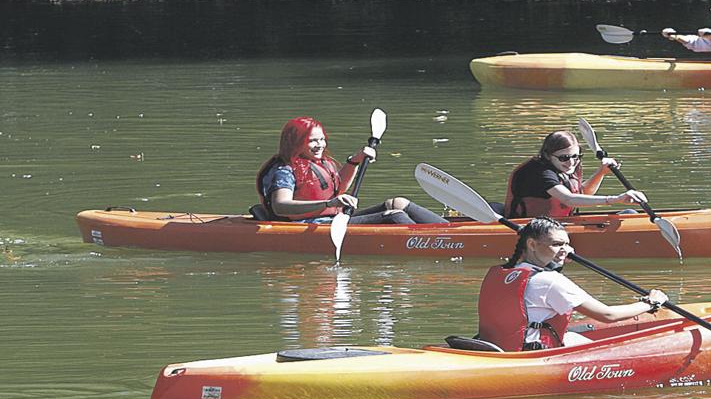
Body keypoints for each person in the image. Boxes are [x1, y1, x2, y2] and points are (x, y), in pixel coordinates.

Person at [476, 217, 669, 351]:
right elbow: (608, 315)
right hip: (534, 354)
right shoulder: (549, 281)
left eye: (567, 244)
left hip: (499, 347)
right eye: (557, 244)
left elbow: (537, 293)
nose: (567, 250)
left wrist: (556, 262)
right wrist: (650, 303)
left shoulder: (501, 273)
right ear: (532, 244)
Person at [255, 116, 446, 224]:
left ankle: (447, 231)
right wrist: (328, 203)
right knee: (393, 216)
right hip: (308, 226)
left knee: (398, 204)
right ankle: (437, 242)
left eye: (321, 139)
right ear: (295, 142)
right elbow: (281, 206)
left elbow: (338, 190)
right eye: (312, 140)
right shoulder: (284, 170)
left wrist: (355, 161)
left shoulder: (321, 162)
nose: (319, 145)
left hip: (333, 218)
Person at [500, 131, 647, 219]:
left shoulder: (569, 165)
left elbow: (582, 194)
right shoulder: (540, 173)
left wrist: (601, 172)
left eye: (575, 156)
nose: (571, 162)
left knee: (629, 213)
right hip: (531, 228)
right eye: (564, 157)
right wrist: (616, 199)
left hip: (560, 224)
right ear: (547, 155)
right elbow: (568, 199)